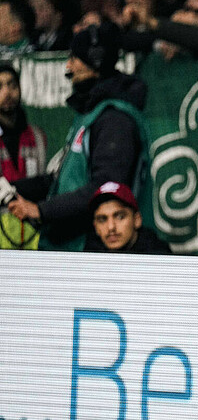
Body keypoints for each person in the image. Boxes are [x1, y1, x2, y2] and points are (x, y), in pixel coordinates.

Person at [8, 22, 152, 251]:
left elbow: (106, 187)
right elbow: (59, 182)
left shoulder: (114, 120)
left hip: (95, 249)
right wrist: (9, 187)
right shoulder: (91, 114)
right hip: (74, 245)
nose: (68, 66)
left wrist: (41, 211)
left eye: (74, 58)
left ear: (95, 62)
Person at [0, 63, 46, 249]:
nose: (8, 92)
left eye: (12, 85)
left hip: (33, 235)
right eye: (0, 87)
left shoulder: (37, 135)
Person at [86, 180, 171, 254]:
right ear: (95, 227)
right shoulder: (88, 255)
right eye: (102, 220)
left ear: (137, 220)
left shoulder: (158, 256)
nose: (111, 227)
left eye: (120, 217)